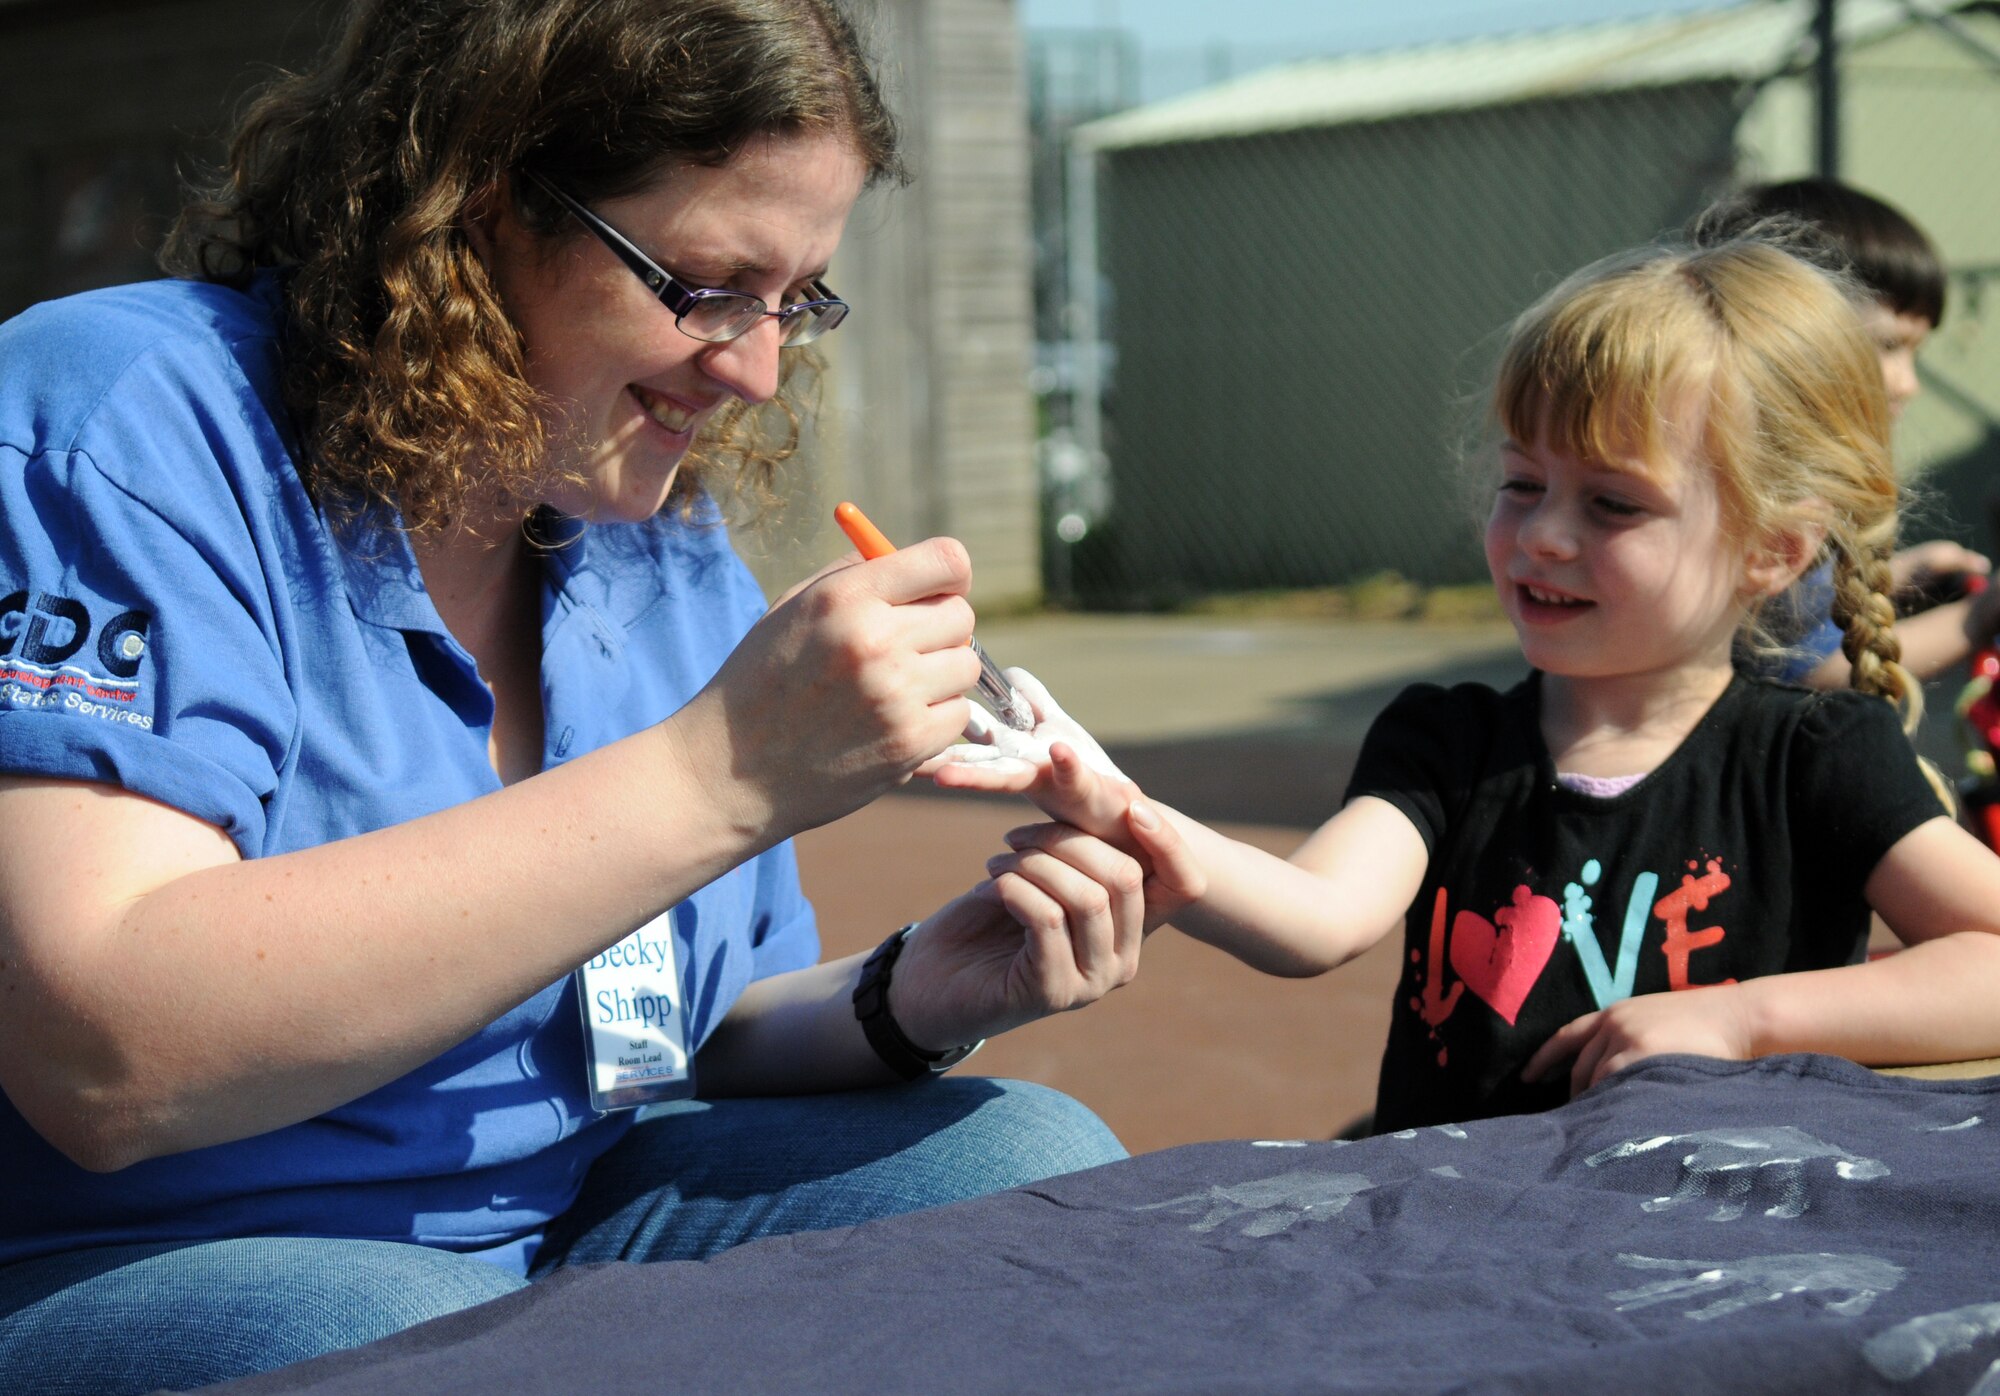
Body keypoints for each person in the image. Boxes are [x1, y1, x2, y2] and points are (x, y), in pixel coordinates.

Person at [0, 2, 1200, 1391]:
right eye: (706, 283)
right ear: (479, 203)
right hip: (165, 1262)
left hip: (571, 1217)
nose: (755, 368)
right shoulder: (126, 424)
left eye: (796, 298)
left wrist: (908, 996)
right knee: (416, 1349)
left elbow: (676, 1030)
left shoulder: (642, 527)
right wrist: (721, 774)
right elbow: (106, 1056)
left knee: (1025, 1171)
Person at [934, 233, 2000, 1136]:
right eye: (1521, 484)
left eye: (1611, 506)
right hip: (1457, 1246)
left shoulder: (1812, 753)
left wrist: (1743, 1020)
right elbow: (1315, 917)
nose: (1540, 536)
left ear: (1772, 550)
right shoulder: (1444, 744)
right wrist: (1114, 804)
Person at [1691, 177, 2000, 685]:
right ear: (1785, 333)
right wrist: (1978, 619)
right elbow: (1805, 678)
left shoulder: (1800, 480)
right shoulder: (1749, 495)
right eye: (1887, 346)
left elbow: (1794, 616)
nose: (1907, 384)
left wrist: (1900, 575)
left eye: (1915, 352)